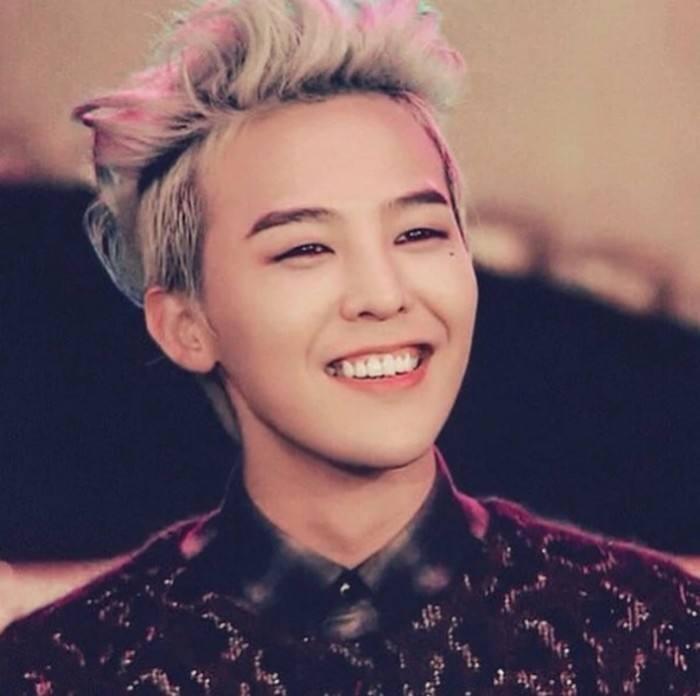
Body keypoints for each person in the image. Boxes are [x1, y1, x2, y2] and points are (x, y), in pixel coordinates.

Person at [1, 0, 698, 693]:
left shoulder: (653, 634)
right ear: (186, 325)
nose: (383, 294)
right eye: (305, 247)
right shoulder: (62, 671)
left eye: (418, 233)